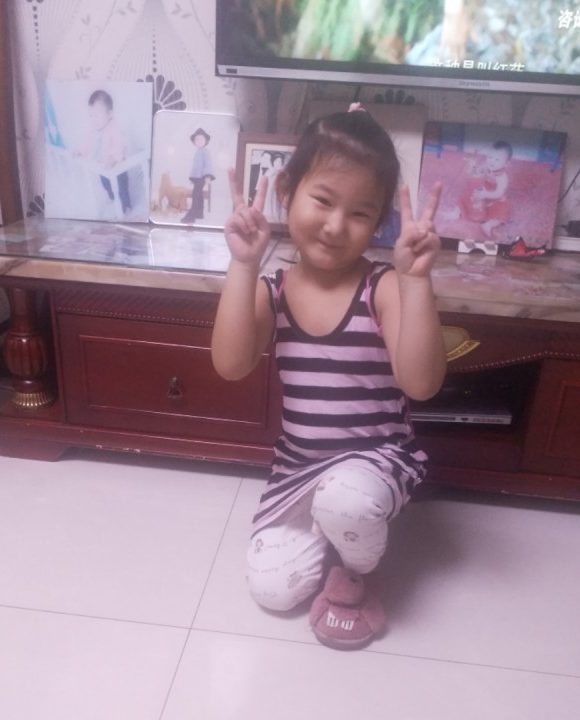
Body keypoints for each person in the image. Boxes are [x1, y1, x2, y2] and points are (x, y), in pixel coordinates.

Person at [211, 106, 446, 650]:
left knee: (346, 501)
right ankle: (336, 532)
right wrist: (243, 265)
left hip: (377, 460)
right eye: (322, 200)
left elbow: (421, 384)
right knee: (272, 589)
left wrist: (416, 283)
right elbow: (230, 363)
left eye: (360, 213)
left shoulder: (381, 286)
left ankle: (359, 568)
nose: (337, 226)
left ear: (379, 222)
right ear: (286, 192)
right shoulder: (274, 289)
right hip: (300, 468)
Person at [76, 90, 132, 215]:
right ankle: (112, 196)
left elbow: (120, 145)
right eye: (92, 115)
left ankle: (126, 205)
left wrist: (113, 157)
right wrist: (80, 151)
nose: (94, 120)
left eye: (98, 115)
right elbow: (88, 143)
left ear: (110, 114)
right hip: (102, 166)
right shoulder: (94, 130)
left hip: (117, 167)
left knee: (121, 188)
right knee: (106, 185)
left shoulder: (115, 129)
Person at [181, 127, 215, 224]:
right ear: (194, 142)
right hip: (197, 178)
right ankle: (199, 213)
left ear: (206, 141)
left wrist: (208, 176)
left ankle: (191, 215)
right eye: (197, 139)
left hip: (202, 177)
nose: (199, 141)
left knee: (195, 195)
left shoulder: (205, 152)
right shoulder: (198, 152)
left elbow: (208, 164)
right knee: (199, 195)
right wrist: (194, 179)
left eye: (201, 139)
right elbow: (196, 167)